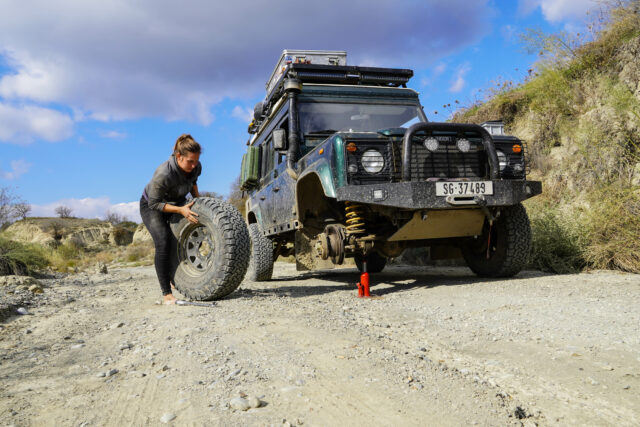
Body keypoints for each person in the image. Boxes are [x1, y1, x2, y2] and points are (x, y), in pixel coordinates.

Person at [140, 134, 202, 305]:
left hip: (177, 201)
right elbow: (154, 203)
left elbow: (194, 183)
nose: (194, 164)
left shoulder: (195, 167)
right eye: (190, 161)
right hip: (152, 205)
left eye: (196, 160)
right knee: (164, 241)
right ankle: (166, 293)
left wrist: (200, 204)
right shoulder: (164, 173)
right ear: (178, 156)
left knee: (181, 239)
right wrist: (180, 210)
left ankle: (177, 279)